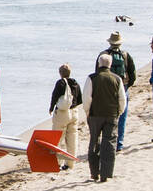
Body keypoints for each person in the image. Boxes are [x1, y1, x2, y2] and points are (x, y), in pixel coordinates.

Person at [82, 53, 126, 183]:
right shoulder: (117, 79)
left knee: (94, 141)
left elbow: (87, 98)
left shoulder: (92, 78)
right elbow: (122, 99)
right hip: (111, 114)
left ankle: (94, 173)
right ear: (110, 65)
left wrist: (87, 112)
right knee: (110, 142)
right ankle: (106, 173)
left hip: (95, 114)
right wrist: (119, 112)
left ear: (99, 64)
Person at [95, 31, 136, 151]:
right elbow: (132, 73)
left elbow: (97, 73)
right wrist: (127, 85)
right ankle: (119, 143)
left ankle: (107, 142)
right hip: (123, 87)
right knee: (121, 115)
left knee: (106, 116)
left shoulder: (103, 55)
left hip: (106, 89)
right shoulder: (125, 55)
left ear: (110, 42)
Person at [48, 64, 83, 170]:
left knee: (57, 138)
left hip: (63, 113)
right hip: (74, 112)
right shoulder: (75, 83)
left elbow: (54, 96)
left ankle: (58, 162)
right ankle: (70, 163)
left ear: (60, 73)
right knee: (72, 139)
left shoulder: (60, 83)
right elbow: (80, 99)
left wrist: (51, 108)